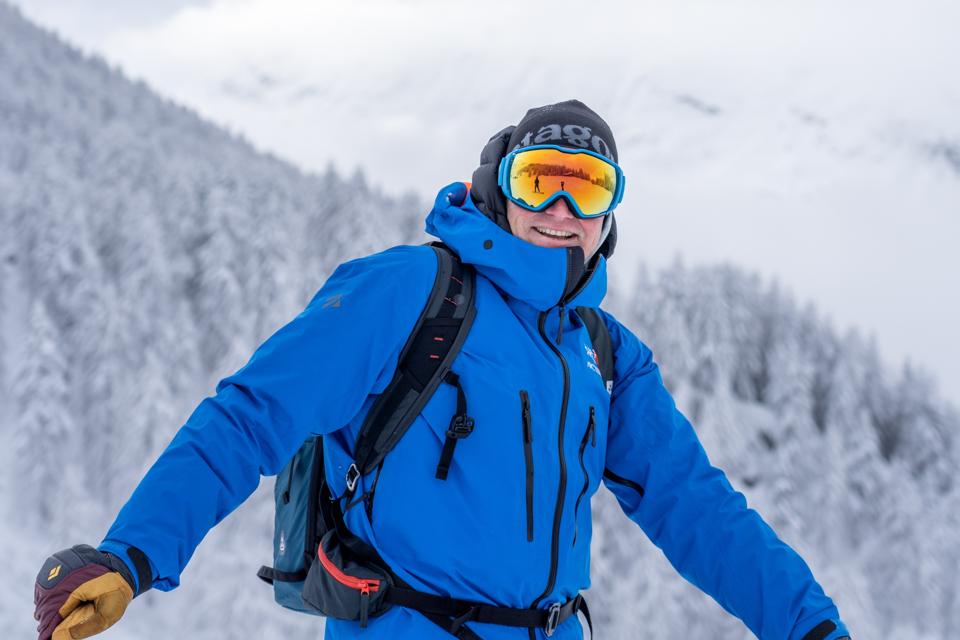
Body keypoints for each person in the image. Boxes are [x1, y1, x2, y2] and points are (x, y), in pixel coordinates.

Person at [33, 100, 851, 640]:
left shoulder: (606, 357)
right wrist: (130, 556)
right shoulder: (411, 293)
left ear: (609, 221)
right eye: (540, 183)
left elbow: (697, 508)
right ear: (496, 190)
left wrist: (809, 626)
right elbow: (249, 417)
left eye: (585, 192)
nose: (560, 213)